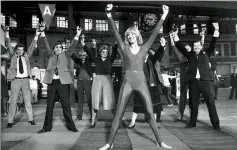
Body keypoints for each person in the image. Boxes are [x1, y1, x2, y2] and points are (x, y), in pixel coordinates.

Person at [100, 4, 171, 150]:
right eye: (128, 35)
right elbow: (114, 32)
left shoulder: (145, 47)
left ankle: (159, 141)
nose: (131, 36)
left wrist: (164, 15)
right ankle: (109, 143)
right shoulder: (124, 47)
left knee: (150, 113)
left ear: (137, 36)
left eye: (133, 34)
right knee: (119, 113)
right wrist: (108, 14)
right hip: (127, 82)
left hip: (141, 83)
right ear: (127, 37)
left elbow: (155, 32)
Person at [171, 22, 221, 130]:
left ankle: (216, 124)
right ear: (193, 47)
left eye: (198, 46)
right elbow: (180, 47)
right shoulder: (190, 55)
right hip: (194, 83)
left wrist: (216, 30)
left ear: (201, 46)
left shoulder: (206, 53)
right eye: (195, 46)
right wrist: (175, 35)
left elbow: (213, 43)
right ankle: (192, 123)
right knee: (193, 105)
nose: (196, 47)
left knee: (211, 104)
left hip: (206, 82)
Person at [37, 24, 81, 133]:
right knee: (49, 106)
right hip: (52, 83)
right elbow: (46, 44)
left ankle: (71, 127)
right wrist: (42, 33)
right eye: (56, 47)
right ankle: (46, 127)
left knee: (66, 105)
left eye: (60, 47)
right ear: (54, 49)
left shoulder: (66, 54)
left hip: (63, 83)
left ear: (62, 49)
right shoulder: (50, 55)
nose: (58, 49)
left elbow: (72, 46)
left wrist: (78, 35)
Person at [127, 38, 166, 129]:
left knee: (154, 105)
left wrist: (162, 46)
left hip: (152, 85)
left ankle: (154, 123)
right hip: (140, 85)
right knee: (138, 103)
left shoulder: (151, 59)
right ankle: (132, 122)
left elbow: (158, 54)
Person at [81, 37, 118, 128]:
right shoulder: (96, 59)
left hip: (107, 80)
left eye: (106, 51)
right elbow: (90, 53)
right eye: (103, 51)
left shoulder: (110, 59)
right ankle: (93, 122)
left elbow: (114, 52)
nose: (104, 52)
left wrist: (116, 44)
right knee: (95, 102)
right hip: (97, 80)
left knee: (110, 102)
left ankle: (117, 121)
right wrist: (83, 44)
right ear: (100, 52)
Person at [5, 26, 39, 128]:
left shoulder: (26, 56)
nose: (20, 51)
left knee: (28, 101)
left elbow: (32, 46)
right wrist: (7, 33)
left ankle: (31, 119)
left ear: (24, 50)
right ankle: (10, 121)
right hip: (15, 81)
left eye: (22, 49)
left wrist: (37, 34)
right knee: (13, 101)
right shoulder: (13, 55)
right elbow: (9, 45)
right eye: (18, 50)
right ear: (16, 50)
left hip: (25, 81)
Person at [71, 36, 93, 121]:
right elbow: (72, 54)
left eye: (84, 55)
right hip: (80, 82)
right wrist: (71, 45)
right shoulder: (78, 61)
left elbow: (90, 53)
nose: (83, 56)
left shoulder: (89, 61)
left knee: (89, 99)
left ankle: (92, 116)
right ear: (80, 56)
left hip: (87, 82)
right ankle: (79, 116)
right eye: (81, 55)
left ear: (86, 55)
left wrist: (83, 43)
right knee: (80, 100)